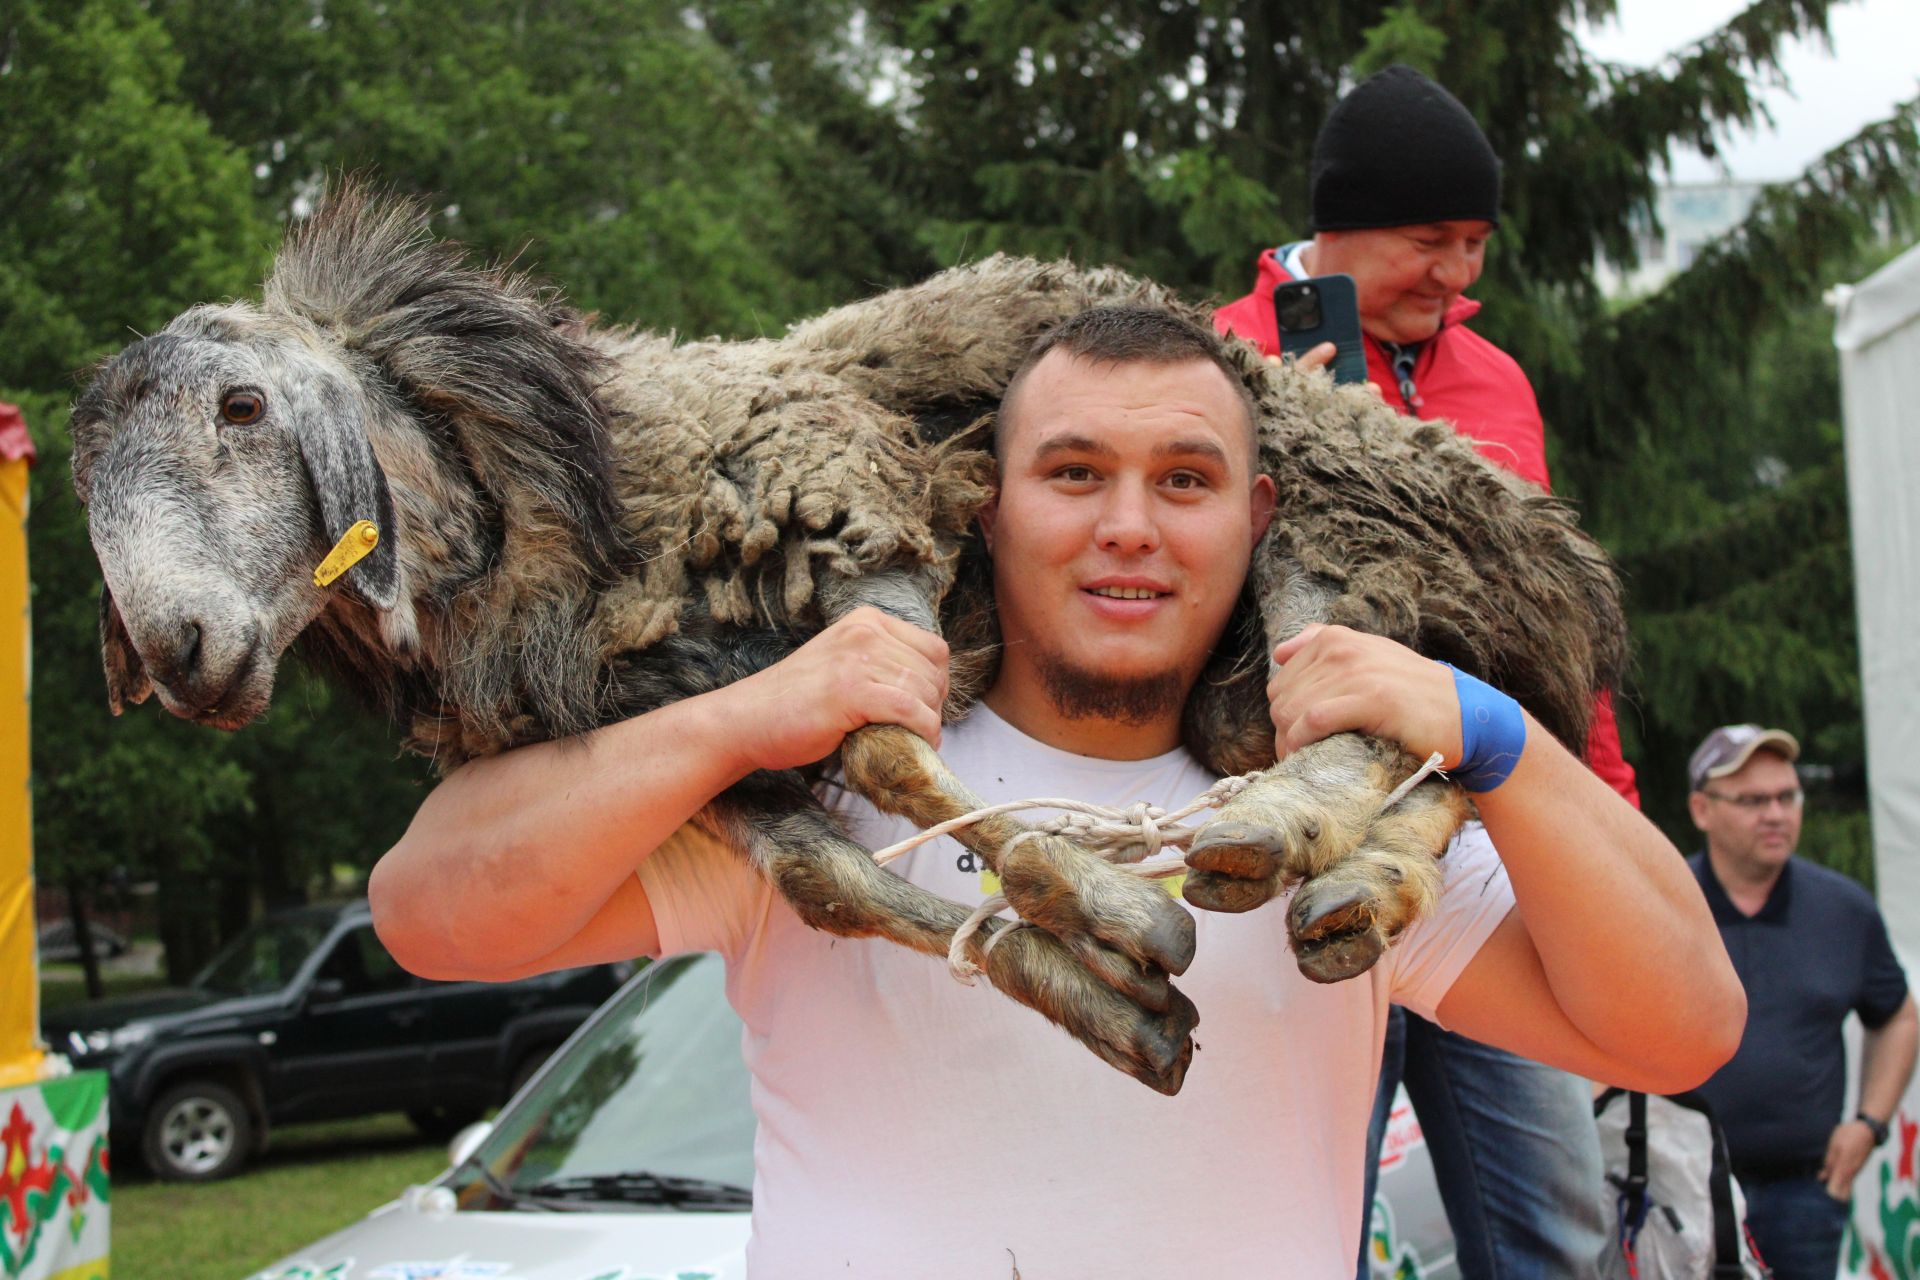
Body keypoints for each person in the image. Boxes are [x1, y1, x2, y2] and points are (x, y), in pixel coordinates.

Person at [369, 307, 1741, 1276]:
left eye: (1185, 481)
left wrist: (1492, 736)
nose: (1130, 526)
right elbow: (433, 917)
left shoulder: (1334, 821)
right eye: (1075, 473)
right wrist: (748, 716)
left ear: (1259, 519)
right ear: (985, 505)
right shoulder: (834, 783)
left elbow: (1679, 1031)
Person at [1215, 64, 1632, 1277]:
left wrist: (1602, 800)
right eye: (1432, 241)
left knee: (1555, 1214)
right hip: (1311, 832)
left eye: (1476, 244)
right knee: (1306, 1216)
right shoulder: (1220, 358)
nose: (1460, 276)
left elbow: (1554, 612)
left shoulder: (1496, 377)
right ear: (1340, 223)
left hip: (1491, 833)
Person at [1685, 723, 1918, 1280]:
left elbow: (1898, 1016)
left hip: (1805, 1191)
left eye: (1787, 796)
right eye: (1752, 800)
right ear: (1702, 809)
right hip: (1686, 1184)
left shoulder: (1843, 910)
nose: (1776, 814)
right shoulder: (1666, 903)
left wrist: (1869, 1124)